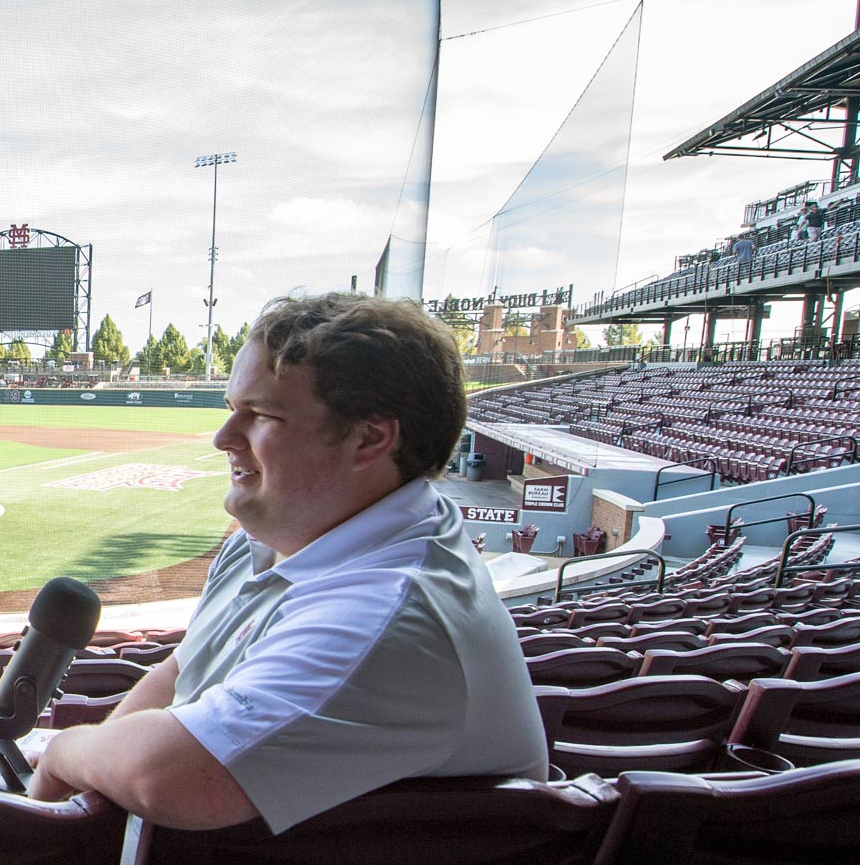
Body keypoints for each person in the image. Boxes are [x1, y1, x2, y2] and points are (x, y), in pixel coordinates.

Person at [31, 292, 546, 832]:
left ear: (369, 438)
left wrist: (67, 752)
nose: (223, 439)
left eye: (261, 415)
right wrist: (74, 792)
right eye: (233, 409)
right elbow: (182, 671)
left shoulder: (390, 608)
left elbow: (167, 775)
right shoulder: (279, 535)